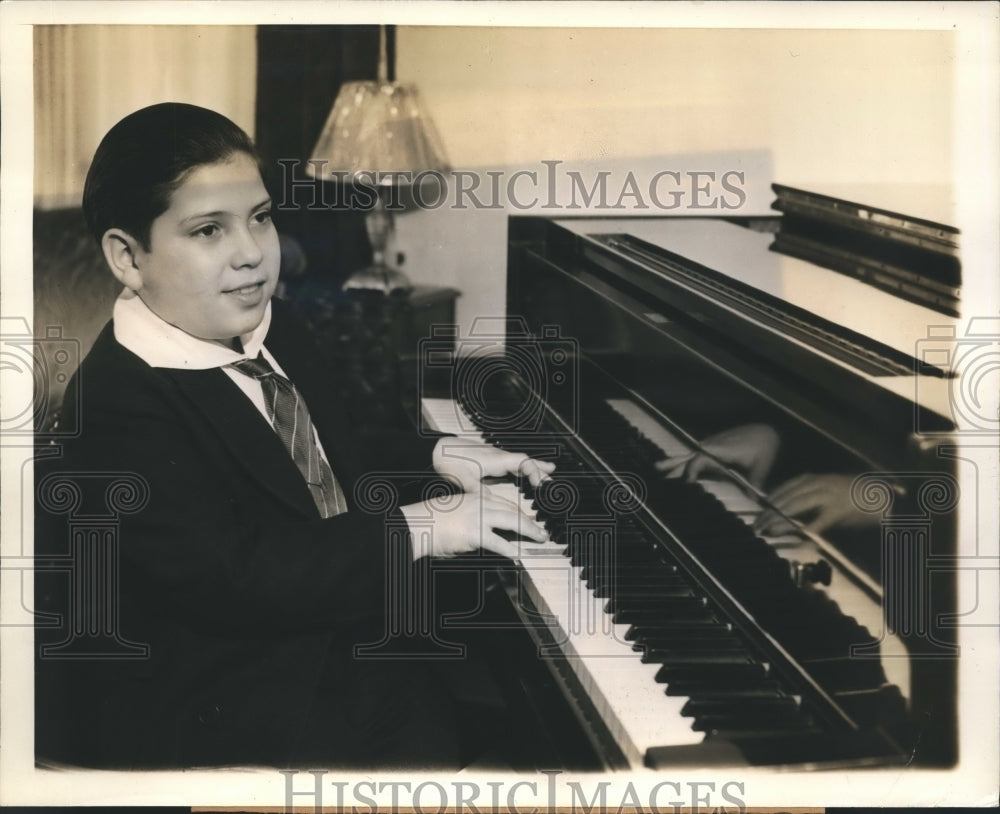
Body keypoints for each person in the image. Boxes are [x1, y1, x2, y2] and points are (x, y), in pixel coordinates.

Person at [34, 103, 552, 770]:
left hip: (341, 641)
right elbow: (237, 574)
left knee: (519, 713)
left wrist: (437, 455)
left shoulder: (270, 326)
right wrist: (421, 526)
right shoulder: (116, 403)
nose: (252, 253)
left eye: (260, 217)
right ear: (128, 257)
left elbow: (322, 454)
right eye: (208, 230)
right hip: (238, 701)